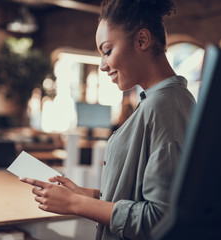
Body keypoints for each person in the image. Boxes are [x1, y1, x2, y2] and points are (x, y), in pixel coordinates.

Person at [20, 0, 196, 239]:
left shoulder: (166, 106)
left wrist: (74, 204)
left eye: (107, 50)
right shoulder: (161, 101)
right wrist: (87, 195)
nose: (103, 65)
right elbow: (135, 195)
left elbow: (160, 218)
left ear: (142, 41)